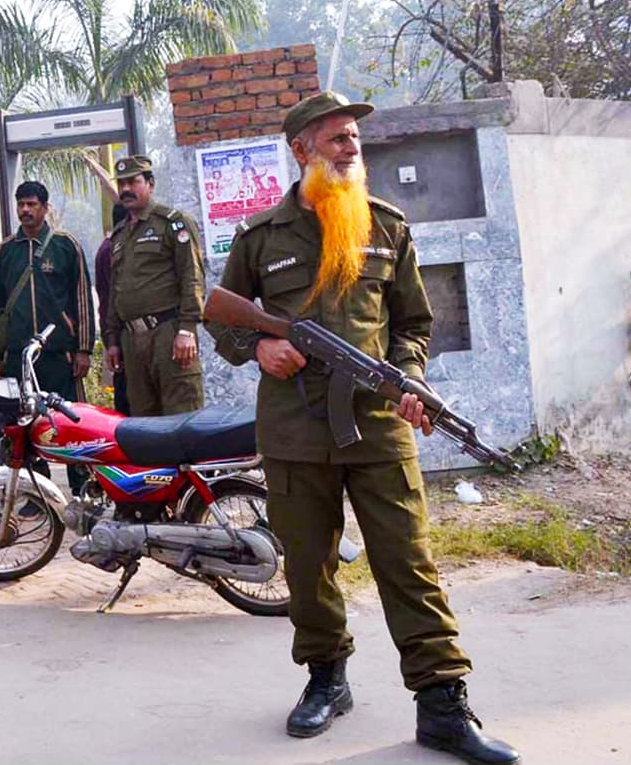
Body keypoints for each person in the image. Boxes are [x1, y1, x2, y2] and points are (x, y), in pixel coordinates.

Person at [206, 92, 519, 764]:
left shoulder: (385, 225)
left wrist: (409, 379)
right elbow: (223, 318)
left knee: (409, 564)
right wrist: (258, 348)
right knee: (310, 570)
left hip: (378, 428)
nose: (353, 148)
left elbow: (414, 324)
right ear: (301, 151)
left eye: (354, 138)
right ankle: (327, 679)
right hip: (293, 431)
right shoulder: (260, 236)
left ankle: (442, 704)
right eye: (338, 139)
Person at [0, 181, 95, 493]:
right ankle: (38, 493)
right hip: (19, 358)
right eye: (21, 204)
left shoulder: (65, 246)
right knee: (24, 425)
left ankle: (83, 488)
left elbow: (82, 299)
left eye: (32, 204)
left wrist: (84, 348)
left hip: (60, 355)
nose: (25, 210)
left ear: (45, 208)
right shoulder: (6, 251)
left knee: (73, 422)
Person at [103, 155, 206, 416]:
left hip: (168, 333)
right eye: (121, 183)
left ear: (150, 184)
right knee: (144, 423)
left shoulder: (173, 223)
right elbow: (116, 289)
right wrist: (113, 340)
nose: (126, 189)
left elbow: (191, 276)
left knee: (182, 417)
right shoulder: (119, 235)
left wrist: (187, 330)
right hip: (132, 341)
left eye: (133, 182)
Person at [94, 203, 131, 416]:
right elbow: (110, 300)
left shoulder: (106, 248)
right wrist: (113, 342)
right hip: (124, 337)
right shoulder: (113, 249)